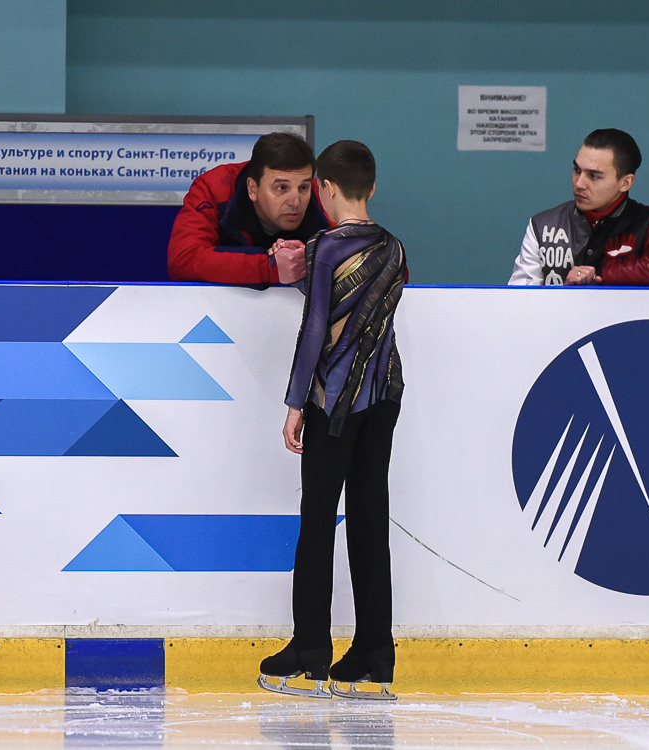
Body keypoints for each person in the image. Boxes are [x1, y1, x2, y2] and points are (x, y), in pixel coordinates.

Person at [258, 140, 406, 700]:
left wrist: (297, 402)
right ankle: (374, 653)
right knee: (369, 521)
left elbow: (317, 326)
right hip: (384, 399)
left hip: (334, 404)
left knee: (318, 521)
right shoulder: (394, 248)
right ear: (371, 188)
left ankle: (311, 649)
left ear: (323, 189)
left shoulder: (325, 248)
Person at [508, 128, 649, 287]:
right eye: (577, 170)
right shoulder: (543, 224)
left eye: (594, 176)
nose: (579, 183)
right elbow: (520, 299)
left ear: (625, 182)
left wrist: (598, 275)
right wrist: (565, 290)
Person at [167, 131, 330, 287]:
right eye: (281, 188)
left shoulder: (320, 193)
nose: (295, 202)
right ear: (252, 189)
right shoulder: (215, 188)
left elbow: (352, 257)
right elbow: (184, 260)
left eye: (303, 188)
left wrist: (310, 261)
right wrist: (270, 267)